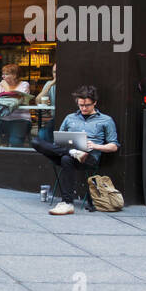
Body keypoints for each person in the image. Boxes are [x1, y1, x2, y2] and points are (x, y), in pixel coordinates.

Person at [30, 84, 120, 215]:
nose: (83, 108)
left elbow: (114, 146)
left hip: (89, 158)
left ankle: (67, 203)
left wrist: (95, 146)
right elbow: (58, 140)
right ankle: (73, 152)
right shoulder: (70, 118)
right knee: (35, 141)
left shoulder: (106, 120)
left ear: (95, 102)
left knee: (67, 159)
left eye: (87, 105)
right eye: (80, 105)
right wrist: (67, 147)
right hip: (66, 152)